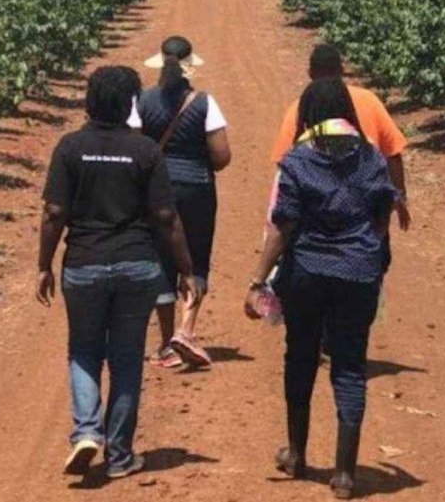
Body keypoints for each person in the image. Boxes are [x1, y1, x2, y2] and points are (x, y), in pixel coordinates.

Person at [37, 65, 201, 480]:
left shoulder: (70, 148)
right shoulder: (146, 151)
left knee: (84, 350)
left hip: (84, 265)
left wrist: (44, 265)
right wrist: (186, 269)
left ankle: (86, 432)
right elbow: (166, 216)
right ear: (130, 103)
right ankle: (121, 454)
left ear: (89, 102)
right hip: (137, 265)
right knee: (127, 358)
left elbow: (55, 213)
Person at [245, 77, 397, 500]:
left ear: (309, 114)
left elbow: (283, 226)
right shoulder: (371, 159)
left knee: (301, 356)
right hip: (357, 274)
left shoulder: (297, 161)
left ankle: (296, 454)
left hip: (306, 274)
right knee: (349, 366)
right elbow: (382, 217)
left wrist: (258, 280)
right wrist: (364, 251)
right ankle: (345, 475)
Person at [136, 35, 231, 370]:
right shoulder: (205, 103)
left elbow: (134, 146)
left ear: (160, 62)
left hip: (155, 190)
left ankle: (165, 343)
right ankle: (186, 329)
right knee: (195, 257)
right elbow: (221, 157)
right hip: (197, 189)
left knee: (161, 258)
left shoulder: (142, 101)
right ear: (190, 65)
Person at [269, 44, 411, 236]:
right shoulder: (368, 100)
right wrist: (399, 197)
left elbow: (284, 166)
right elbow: (393, 152)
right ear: (342, 71)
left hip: (317, 224)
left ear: (310, 73)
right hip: (365, 220)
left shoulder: (300, 108)